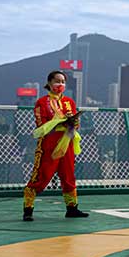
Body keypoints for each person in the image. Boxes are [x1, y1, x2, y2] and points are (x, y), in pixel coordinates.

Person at [23, 70, 88, 221]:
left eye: (63, 82)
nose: (60, 84)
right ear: (50, 83)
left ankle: (72, 208)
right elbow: (40, 125)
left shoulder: (69, 102)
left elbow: (76, 125)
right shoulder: (42, 102)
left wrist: (73, 122)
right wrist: (59, 122)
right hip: (49, 144)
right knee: (41, 176)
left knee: (68, 175)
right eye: (57, 81)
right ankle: (28, 209)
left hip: (67, 143)